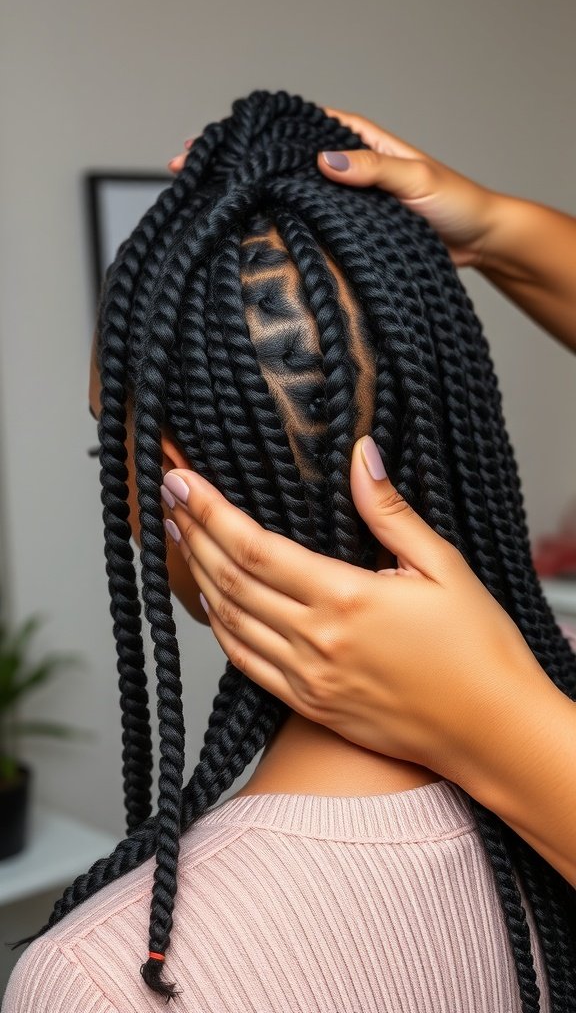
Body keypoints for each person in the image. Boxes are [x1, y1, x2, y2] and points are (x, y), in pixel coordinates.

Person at [3, 90, 575, 1013]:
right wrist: (503, 229)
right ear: (452, 409)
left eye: (108, 444)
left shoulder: (114, 982)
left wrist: (500, 731)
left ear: (170, 481)